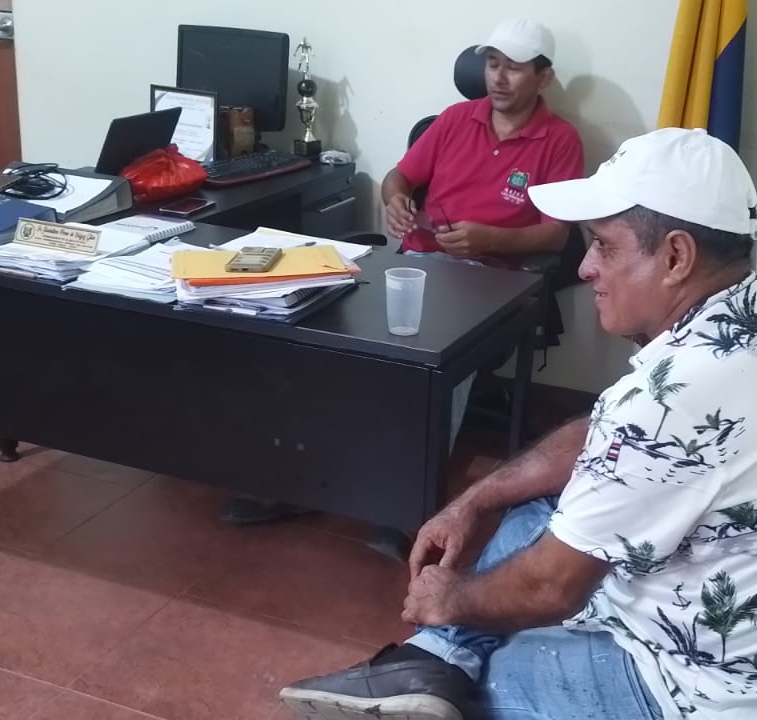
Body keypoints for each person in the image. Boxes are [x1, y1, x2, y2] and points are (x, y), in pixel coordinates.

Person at [278, 128, 757, 720]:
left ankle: (440, 663)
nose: (587, 267)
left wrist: (450, 598)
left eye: (605, 246)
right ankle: (437, 663)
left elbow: (550, 588)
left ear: (676, 257)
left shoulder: (672, 395)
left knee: (489, 671)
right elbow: (600, 439)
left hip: (700, 699)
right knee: (533, 510)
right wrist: (474, 499)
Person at [221, 18, 587, 540]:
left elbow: (555, 235)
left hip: (492, 283)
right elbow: (400, 177)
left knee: (436, 365)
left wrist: (491, 239)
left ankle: (403, 506)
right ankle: (299, 483)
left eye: (514, 68)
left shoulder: (559, 140)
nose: (498, 77)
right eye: (492, 64)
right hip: (416, 265)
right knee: (328, 338)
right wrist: (395, 199)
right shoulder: (456, 119)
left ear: (543, 78)